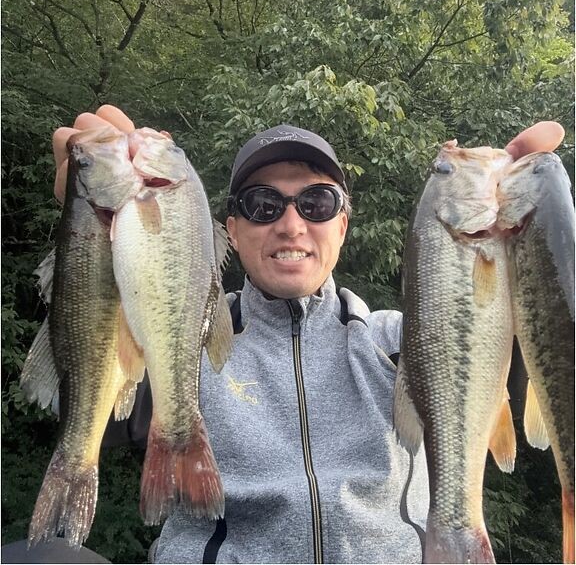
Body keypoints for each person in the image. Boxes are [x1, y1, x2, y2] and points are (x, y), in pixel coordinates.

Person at [46, 108, 564, 564]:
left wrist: (545, 238)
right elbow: (94, 395)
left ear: (342, 226)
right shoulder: (187, 341)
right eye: (263, 204)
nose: (291, 225)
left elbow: (548, 360)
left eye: (316, 202)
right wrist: (92, 233)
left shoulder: (407, 340)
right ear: (230, 229)